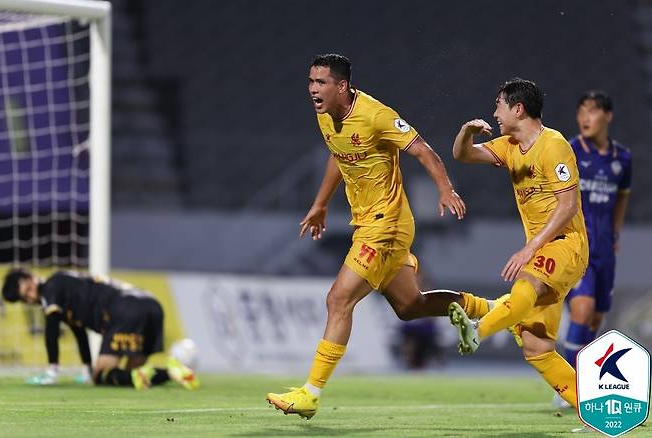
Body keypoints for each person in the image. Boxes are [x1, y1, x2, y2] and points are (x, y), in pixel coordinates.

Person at [266, 53, 490, 419]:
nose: (312, 89)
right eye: (310, 81)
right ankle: (489, 310)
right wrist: (320, 204)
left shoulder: (376, 115)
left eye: (320, 82)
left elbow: (424, 151)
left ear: (342, 86)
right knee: (409, 307)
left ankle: (310, 393)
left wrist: (445, 190)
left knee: (338, 300)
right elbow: (338, 155)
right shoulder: (326, 115)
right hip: (369, 223)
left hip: (386, 224)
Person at [448, 78, 589, 410]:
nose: (495, 113)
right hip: (543, 248)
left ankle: (478, 328)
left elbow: (567, 206)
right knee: (535, 346)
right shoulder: (509, 145)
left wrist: (531, 247)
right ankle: (591, 406)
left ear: (518, 108)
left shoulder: (553, 145)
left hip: (566, 243)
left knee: (527, 282)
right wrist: (467, 131)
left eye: (499, 104)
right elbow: (462, 155)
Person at [553, 90, 632, 409]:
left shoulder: (622, 159)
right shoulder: (569, 152)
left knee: (596, 317)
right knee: (582, 310)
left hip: (605, 250)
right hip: (576, 246)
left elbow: (622, 196)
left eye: (593, 111)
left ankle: (582, 379)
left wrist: (615, 232)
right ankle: (565, 386)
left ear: (607, 117)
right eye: (581, 111)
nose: (585, 117)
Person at [1, 268, 199, 390]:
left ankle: (171, 371)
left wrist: (52, 370)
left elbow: (51, 328)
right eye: (25, 297)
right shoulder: (67, 288)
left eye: (28, 289)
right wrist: (86, 368)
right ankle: (176, 371)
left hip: (125, 309)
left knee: (101, 375)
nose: (31, 296)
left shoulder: (50, 287)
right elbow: (79, 332)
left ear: (32, 277)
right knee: (132, 375)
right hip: (151, 305)